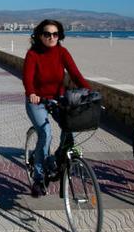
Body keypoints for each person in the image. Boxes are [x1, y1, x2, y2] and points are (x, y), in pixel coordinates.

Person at [23, 19, 91, 197]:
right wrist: (31, 92)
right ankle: (38, 178)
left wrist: (90, 92)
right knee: (46, 133)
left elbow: (75, 74)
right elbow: (27, 78)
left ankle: (56, 159)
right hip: (37, 101)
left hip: (58, 99)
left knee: (69, 129)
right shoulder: (33, 54)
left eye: (55, 34)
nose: (52, 37)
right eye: (47, 34)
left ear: (59, 35)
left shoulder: (62, 52)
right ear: (40, 35)